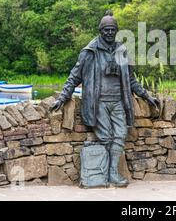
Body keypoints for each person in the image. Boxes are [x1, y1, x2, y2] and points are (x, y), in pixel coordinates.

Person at [50, 10, 159, 188]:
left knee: (121, 134)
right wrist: (62, 98)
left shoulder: (122, 51)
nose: (109, 33)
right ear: (100, 31)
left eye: (112, 30)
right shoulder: (89, 51)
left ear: (116, 31)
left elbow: (131, 80)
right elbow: (74, 76)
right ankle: (105, 174)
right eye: (106, 30)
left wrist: (147, 96)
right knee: (106, 137)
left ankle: (112, 174)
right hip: (98, 102)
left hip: (118, 101)